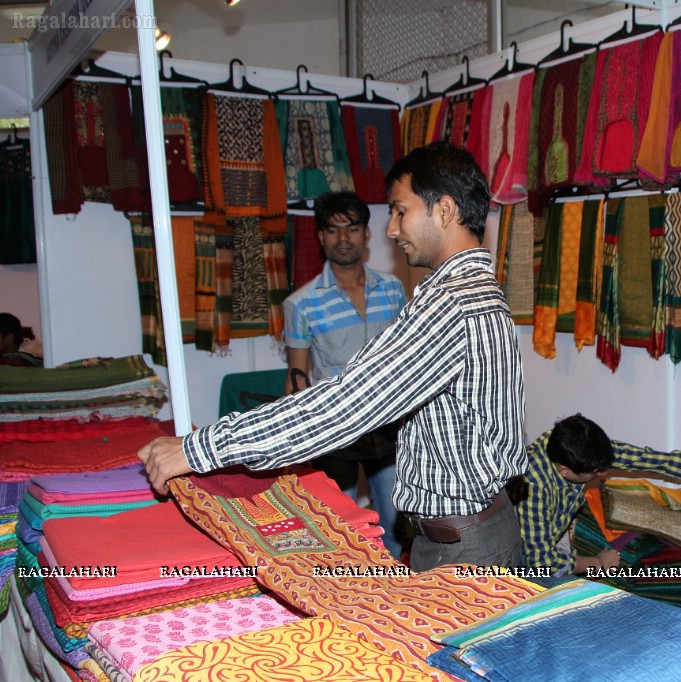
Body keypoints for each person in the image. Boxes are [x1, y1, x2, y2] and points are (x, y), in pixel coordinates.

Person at [138, 141, 527, 572]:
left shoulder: (450, 304)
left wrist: (198, 450)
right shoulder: (475, 291)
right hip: (469, 534)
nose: (392, 230)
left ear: (445, 211)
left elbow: (345, 405)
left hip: (465, 547)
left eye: (400, 211)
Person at [283, 191, 407, 559]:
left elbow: (404, 357)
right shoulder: (301, 303)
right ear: (321, 237)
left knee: (396, 523)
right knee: (339, 530)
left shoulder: (393, 288)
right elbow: (296, 376)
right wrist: (295, 440)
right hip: (333, 430)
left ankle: (398, 600)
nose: (343, 238)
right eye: (333, 230)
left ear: (367, 234)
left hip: (389, 427)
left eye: (351, 228)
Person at [515, 414, 681, 576]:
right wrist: (598, 563)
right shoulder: (532, 486)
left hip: (548, 535)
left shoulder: (575, 445)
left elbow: (656, 461)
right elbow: (541, 562)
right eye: (594, 473)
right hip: (514, 556)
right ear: (564, 470)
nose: (602, 474)